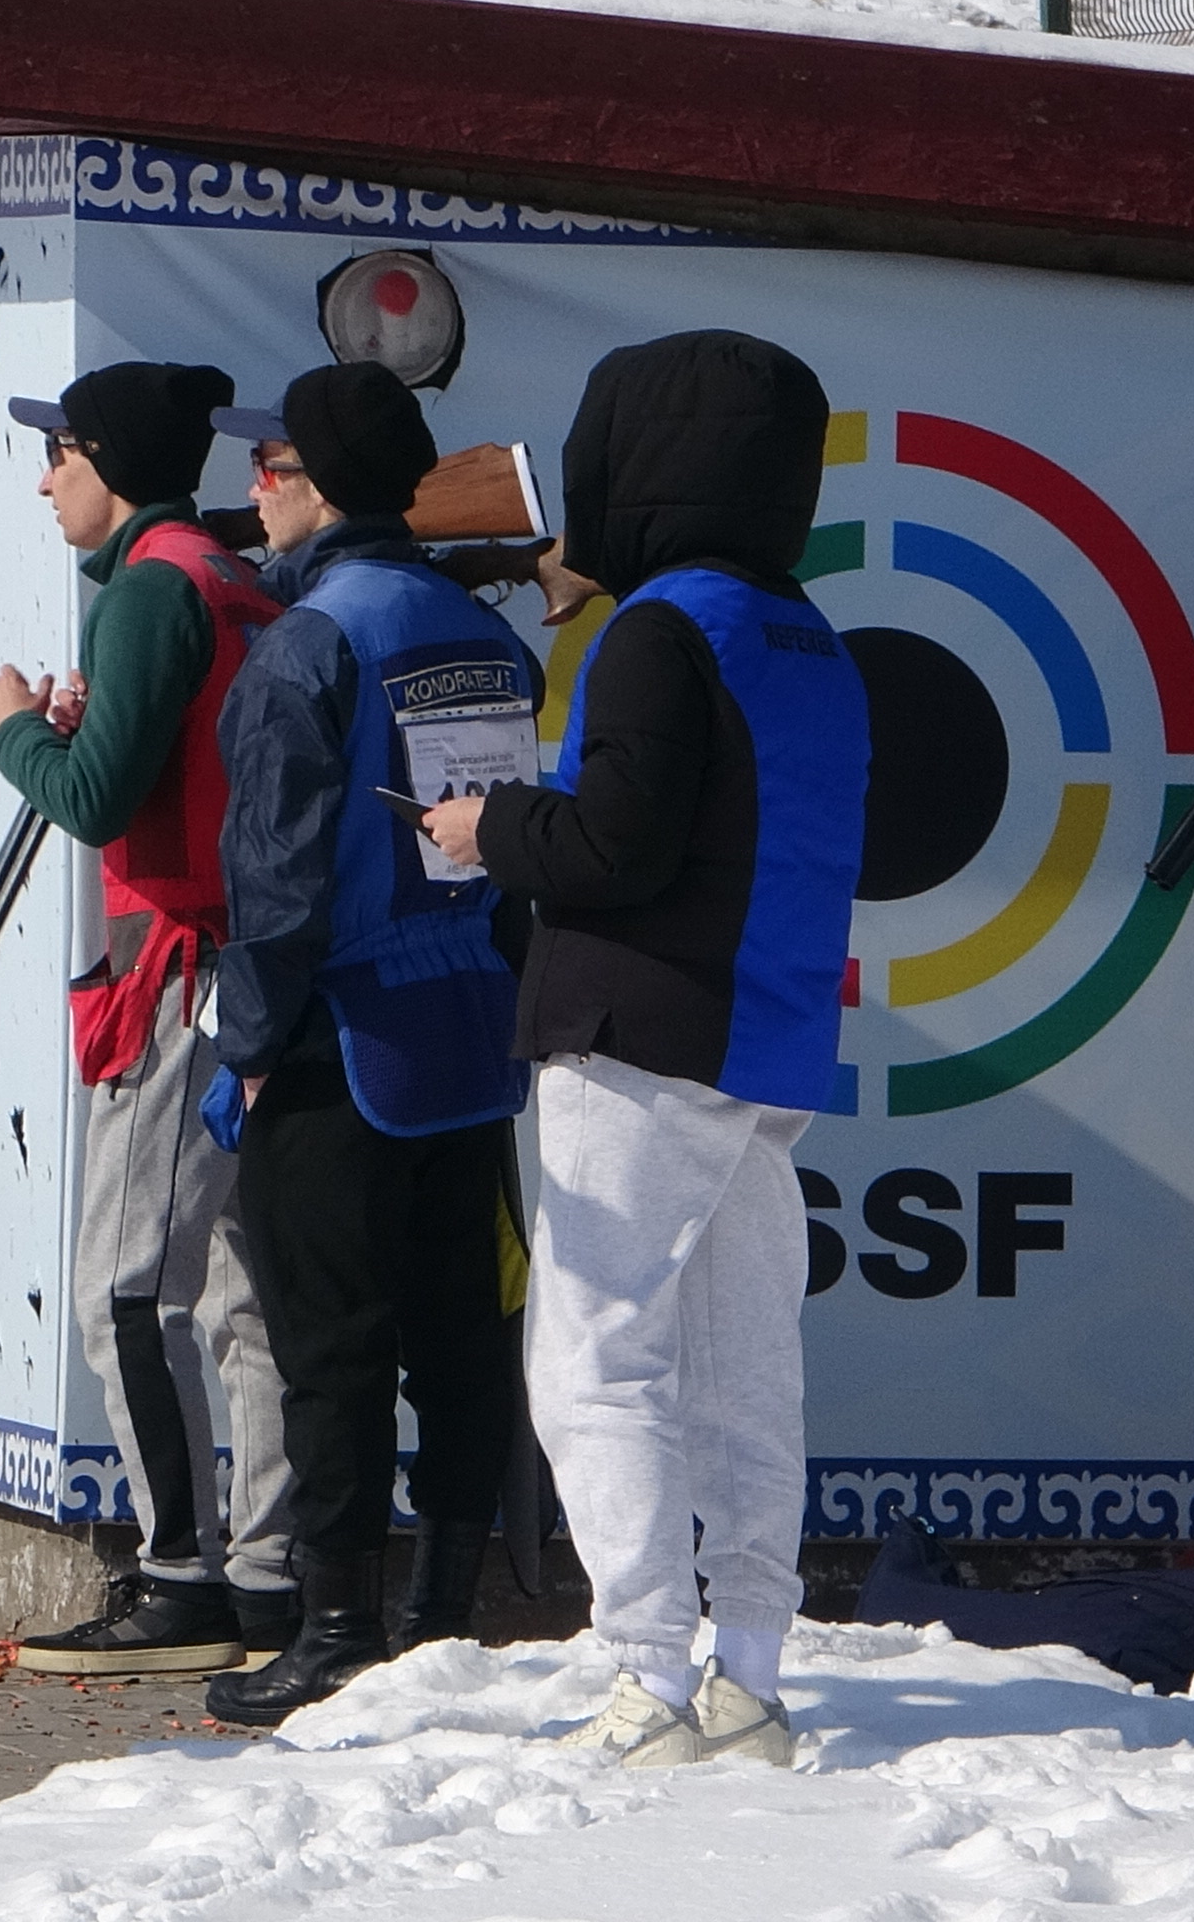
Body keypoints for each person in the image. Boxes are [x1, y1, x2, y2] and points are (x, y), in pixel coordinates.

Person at [421, 328, 868, 1770]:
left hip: (634, 1037)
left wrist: (491, 828)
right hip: (770, 1047)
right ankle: (747, 1676)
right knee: (750, 1370)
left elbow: (616, 842)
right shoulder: (812, 635)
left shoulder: (657, 628)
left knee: (594, 1358)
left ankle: (644, 1680)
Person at [195, 361, 534, 1728]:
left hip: (337, 1034)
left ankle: (335, 1629)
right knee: (460, 1331)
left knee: (327, 1343)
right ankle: (442, 1617)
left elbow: (274, 877)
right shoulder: (484, 629)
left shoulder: (311, 644)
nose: (251, 494)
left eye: (267, 471)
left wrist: (251, 1046)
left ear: (320, 486)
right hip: (465, 1030)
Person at [0, 361, 299, 1675]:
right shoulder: (218, 575)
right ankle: (269, 1571)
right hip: (242, 969)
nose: (47, 477)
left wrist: (9, 733)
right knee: (238, 1293)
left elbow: (98, 800)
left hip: (182, 977)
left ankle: (180, 1573)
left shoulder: (154, 586)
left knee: (129, 1287)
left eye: (63, 452)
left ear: (110, 461)